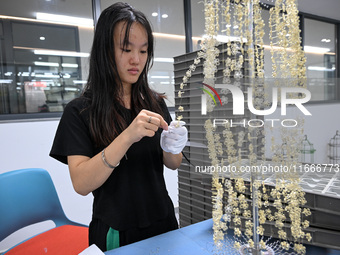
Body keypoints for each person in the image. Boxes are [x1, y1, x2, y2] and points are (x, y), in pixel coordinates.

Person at [49, 2, 187, 252]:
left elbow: (173, 163)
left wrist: (172, 144)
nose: (136, 60)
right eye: (126, 49)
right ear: (105, 50)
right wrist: (127, 136)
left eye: (143, 51)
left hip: (163, 221)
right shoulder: (80, 111)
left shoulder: (154, 103)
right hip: (117, 229)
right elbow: (81, 183)